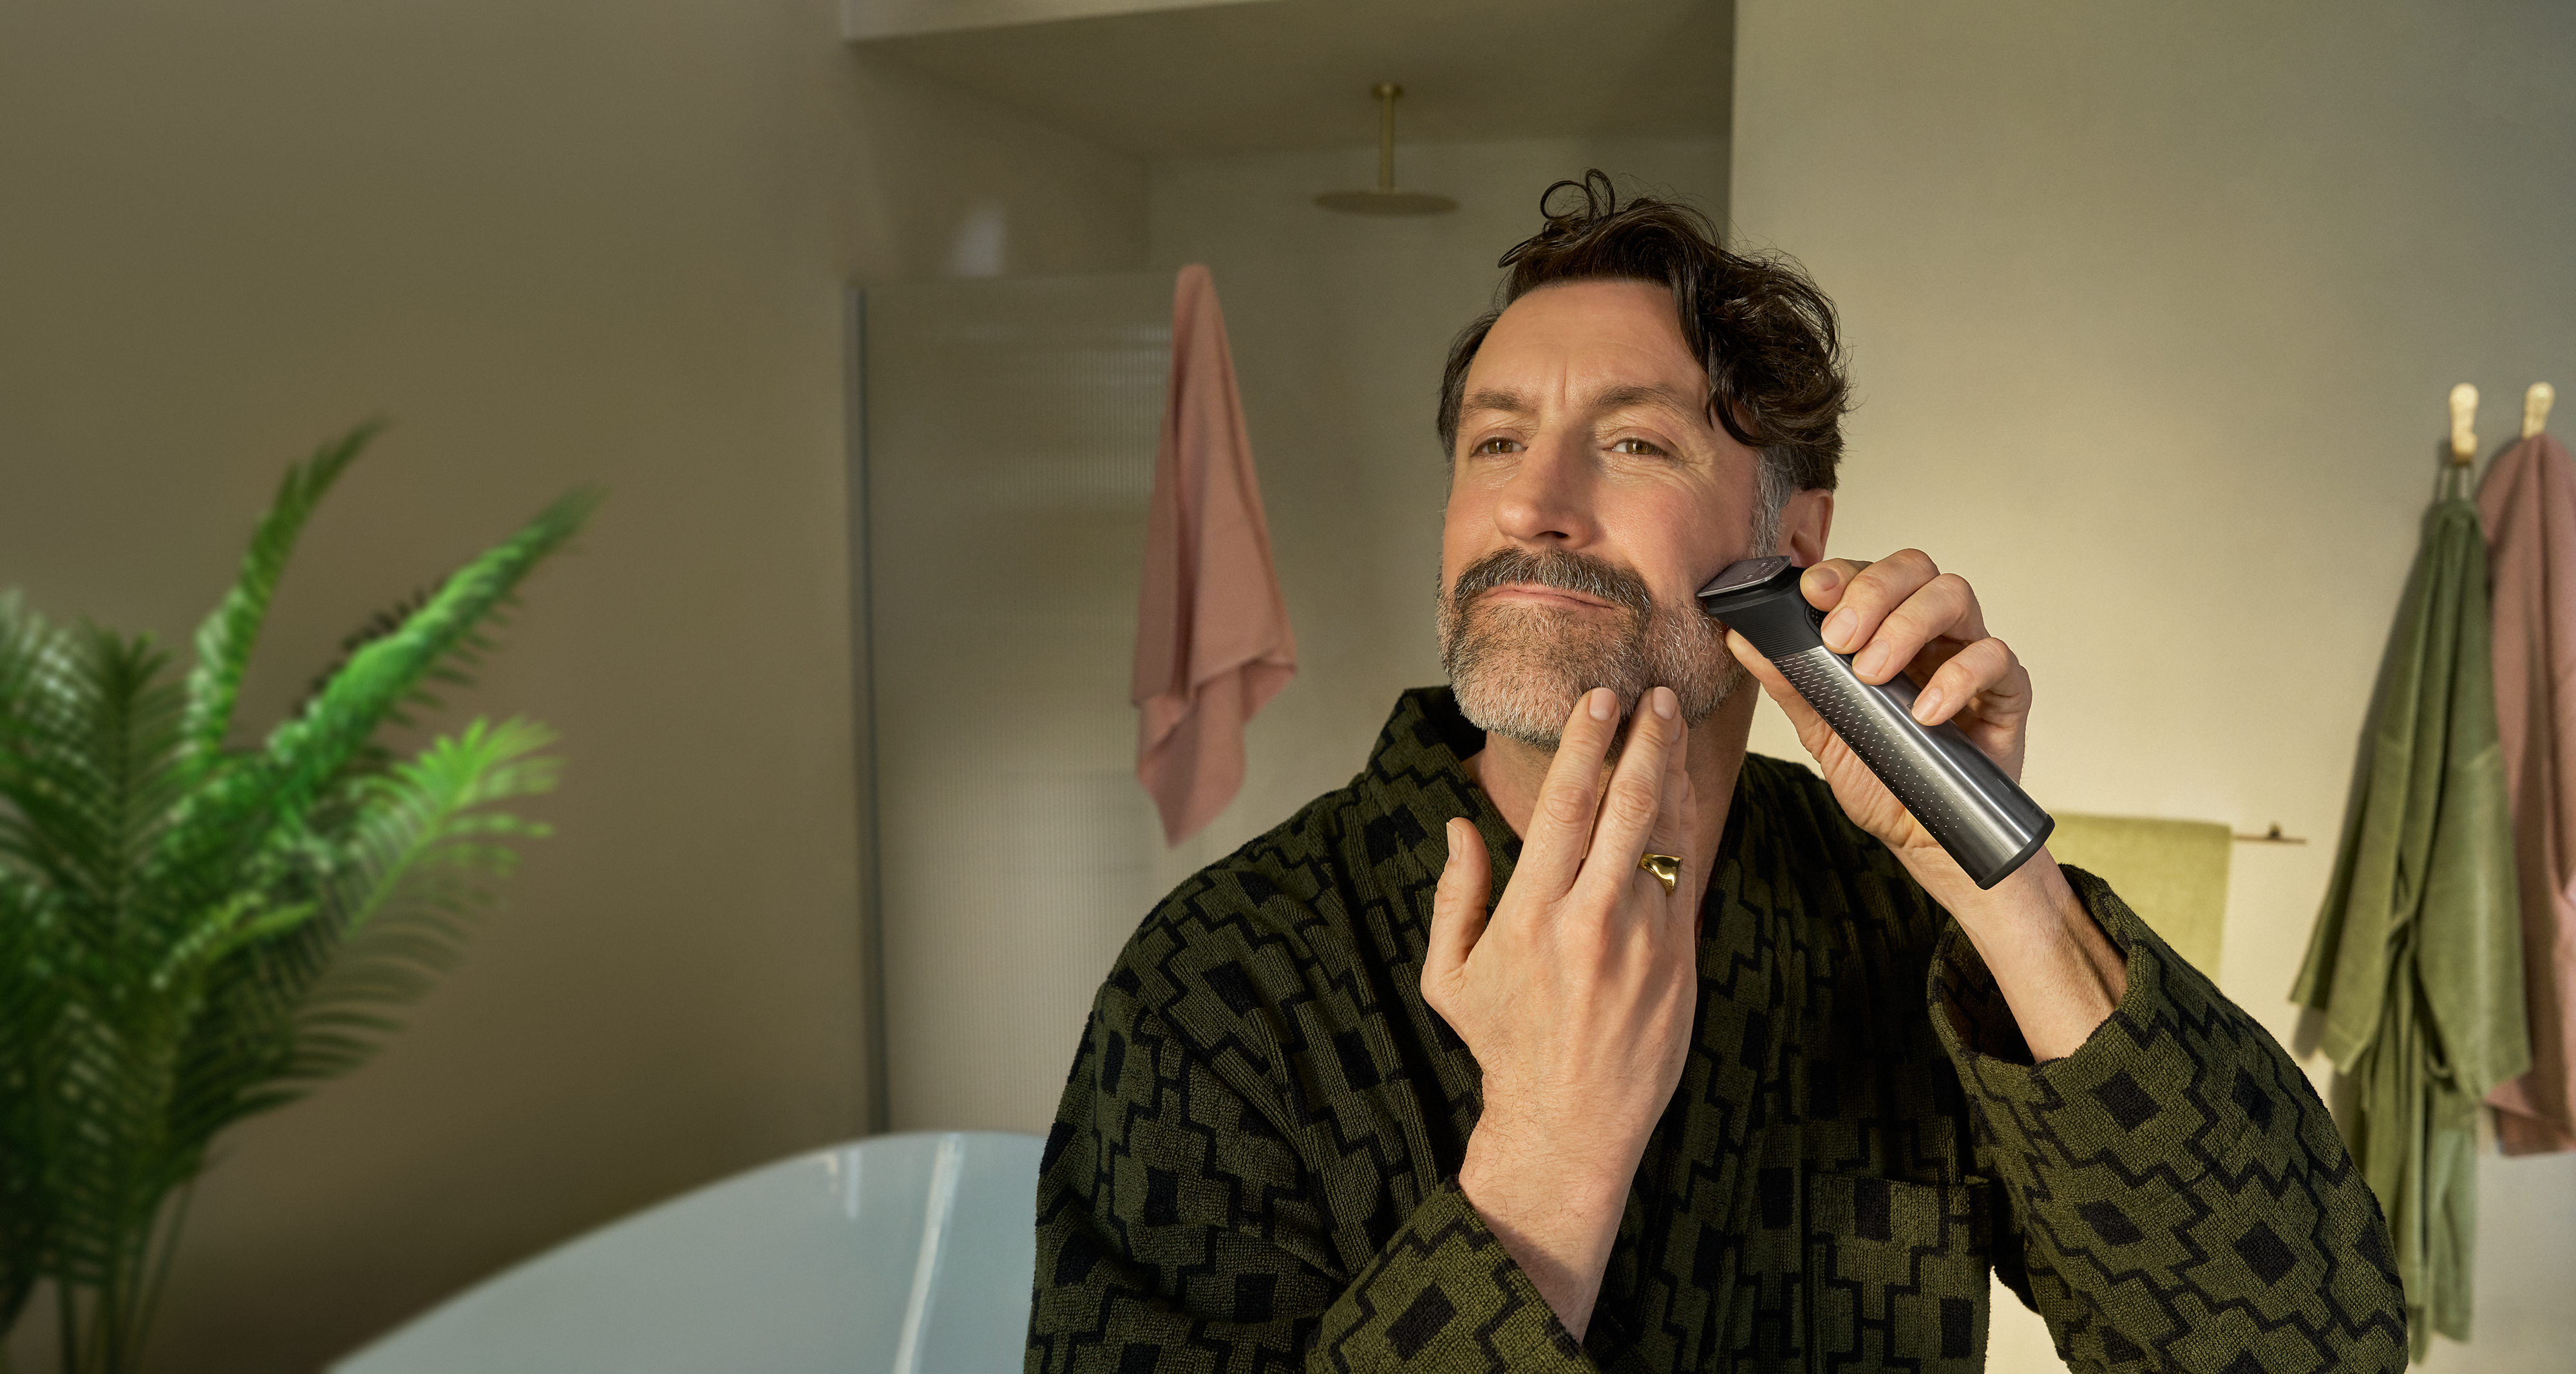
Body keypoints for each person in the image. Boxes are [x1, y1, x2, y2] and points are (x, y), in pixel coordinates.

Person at [1027, 172, 2405, 1373]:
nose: (1530, 500)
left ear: (1791, 541)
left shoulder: (1901, 921)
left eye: (1631, 442)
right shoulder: (1219, 982)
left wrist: (2004, 888)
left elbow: (2303, 1344)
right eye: (1493, 441)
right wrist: (1547, 1160)